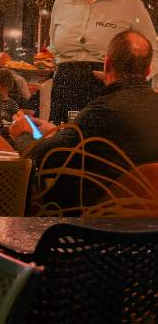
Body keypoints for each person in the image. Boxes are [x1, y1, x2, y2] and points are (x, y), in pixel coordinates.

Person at [10, 31, 158, 209]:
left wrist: (22, 134)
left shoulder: (103, 109)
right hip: (147, 224)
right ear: (148, 70)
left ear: (107, 64)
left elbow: (45, 157)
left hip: (91, 222)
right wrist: (60, 132)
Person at [48, 0, 157, 124]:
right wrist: (49, 61)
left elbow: (154, 51)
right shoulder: (62, 2)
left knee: (100, 148)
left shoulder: (129, 3)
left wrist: (132, 85)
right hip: (64, 87)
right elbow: (53, 49)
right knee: (61, 148)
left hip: (108, 90)